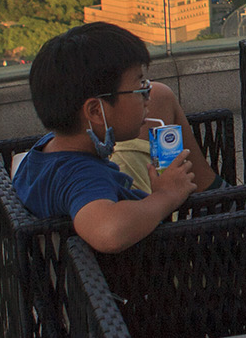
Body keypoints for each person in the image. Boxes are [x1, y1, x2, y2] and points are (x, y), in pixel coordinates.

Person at [11, 22, 203, 252]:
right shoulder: (82, 176)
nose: (148, 98)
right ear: (95, 111)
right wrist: (166, 195)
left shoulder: (48, 151)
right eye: (141, 88)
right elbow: (108, 232)